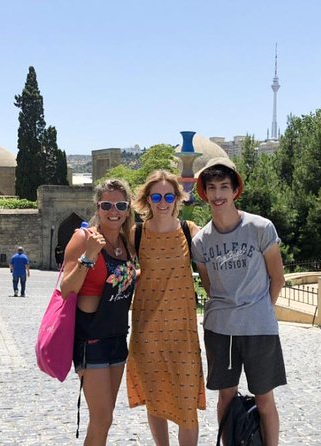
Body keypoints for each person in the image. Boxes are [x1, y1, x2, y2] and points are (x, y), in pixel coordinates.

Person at [190, 158, 287, 446]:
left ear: (235, 191)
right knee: (226, 396)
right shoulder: (201, 242)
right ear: (204, 193)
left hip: (259, 328)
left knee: (265, 398)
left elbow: (277, 277)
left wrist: (260, 309)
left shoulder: (260, 227)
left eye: (224, 187)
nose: (218, 194)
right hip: (221, 329)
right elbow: (210, 286)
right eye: (211, 188)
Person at [126, 170, 206, 446]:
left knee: (187, 405)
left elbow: (214, 262)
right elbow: (121, 269)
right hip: (147, 332)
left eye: (169, 196)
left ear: (177, 199)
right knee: (155, 399)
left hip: (183, 334)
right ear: (147, 199)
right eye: (157, 196)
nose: (163, 202)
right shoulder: (136, 234)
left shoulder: (189, 231)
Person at [60, 178, 137, 445]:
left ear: (128, 209)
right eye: (106, 205)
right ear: (98, 207)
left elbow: (124, 278)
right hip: (91, 340)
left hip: (117, 337)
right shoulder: (84, 239)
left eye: (120, 205)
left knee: (105, 418)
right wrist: (89, 256)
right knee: (101, 418)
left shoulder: (126, 243)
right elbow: (67, 288)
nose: (113, 211)